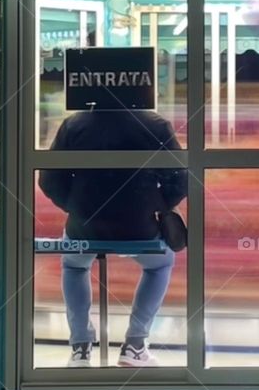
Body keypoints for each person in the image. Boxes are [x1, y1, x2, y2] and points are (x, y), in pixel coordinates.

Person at [39, 108, 187, 368]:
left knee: (74, 266)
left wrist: (74, 206)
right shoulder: (156, 124)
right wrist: (158, 204)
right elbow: (181, 179)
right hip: (139, 226)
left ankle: (80, 350)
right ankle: (135, 345)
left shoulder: (74, 125)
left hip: (85, 225)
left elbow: (49, 180)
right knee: (160, 264)